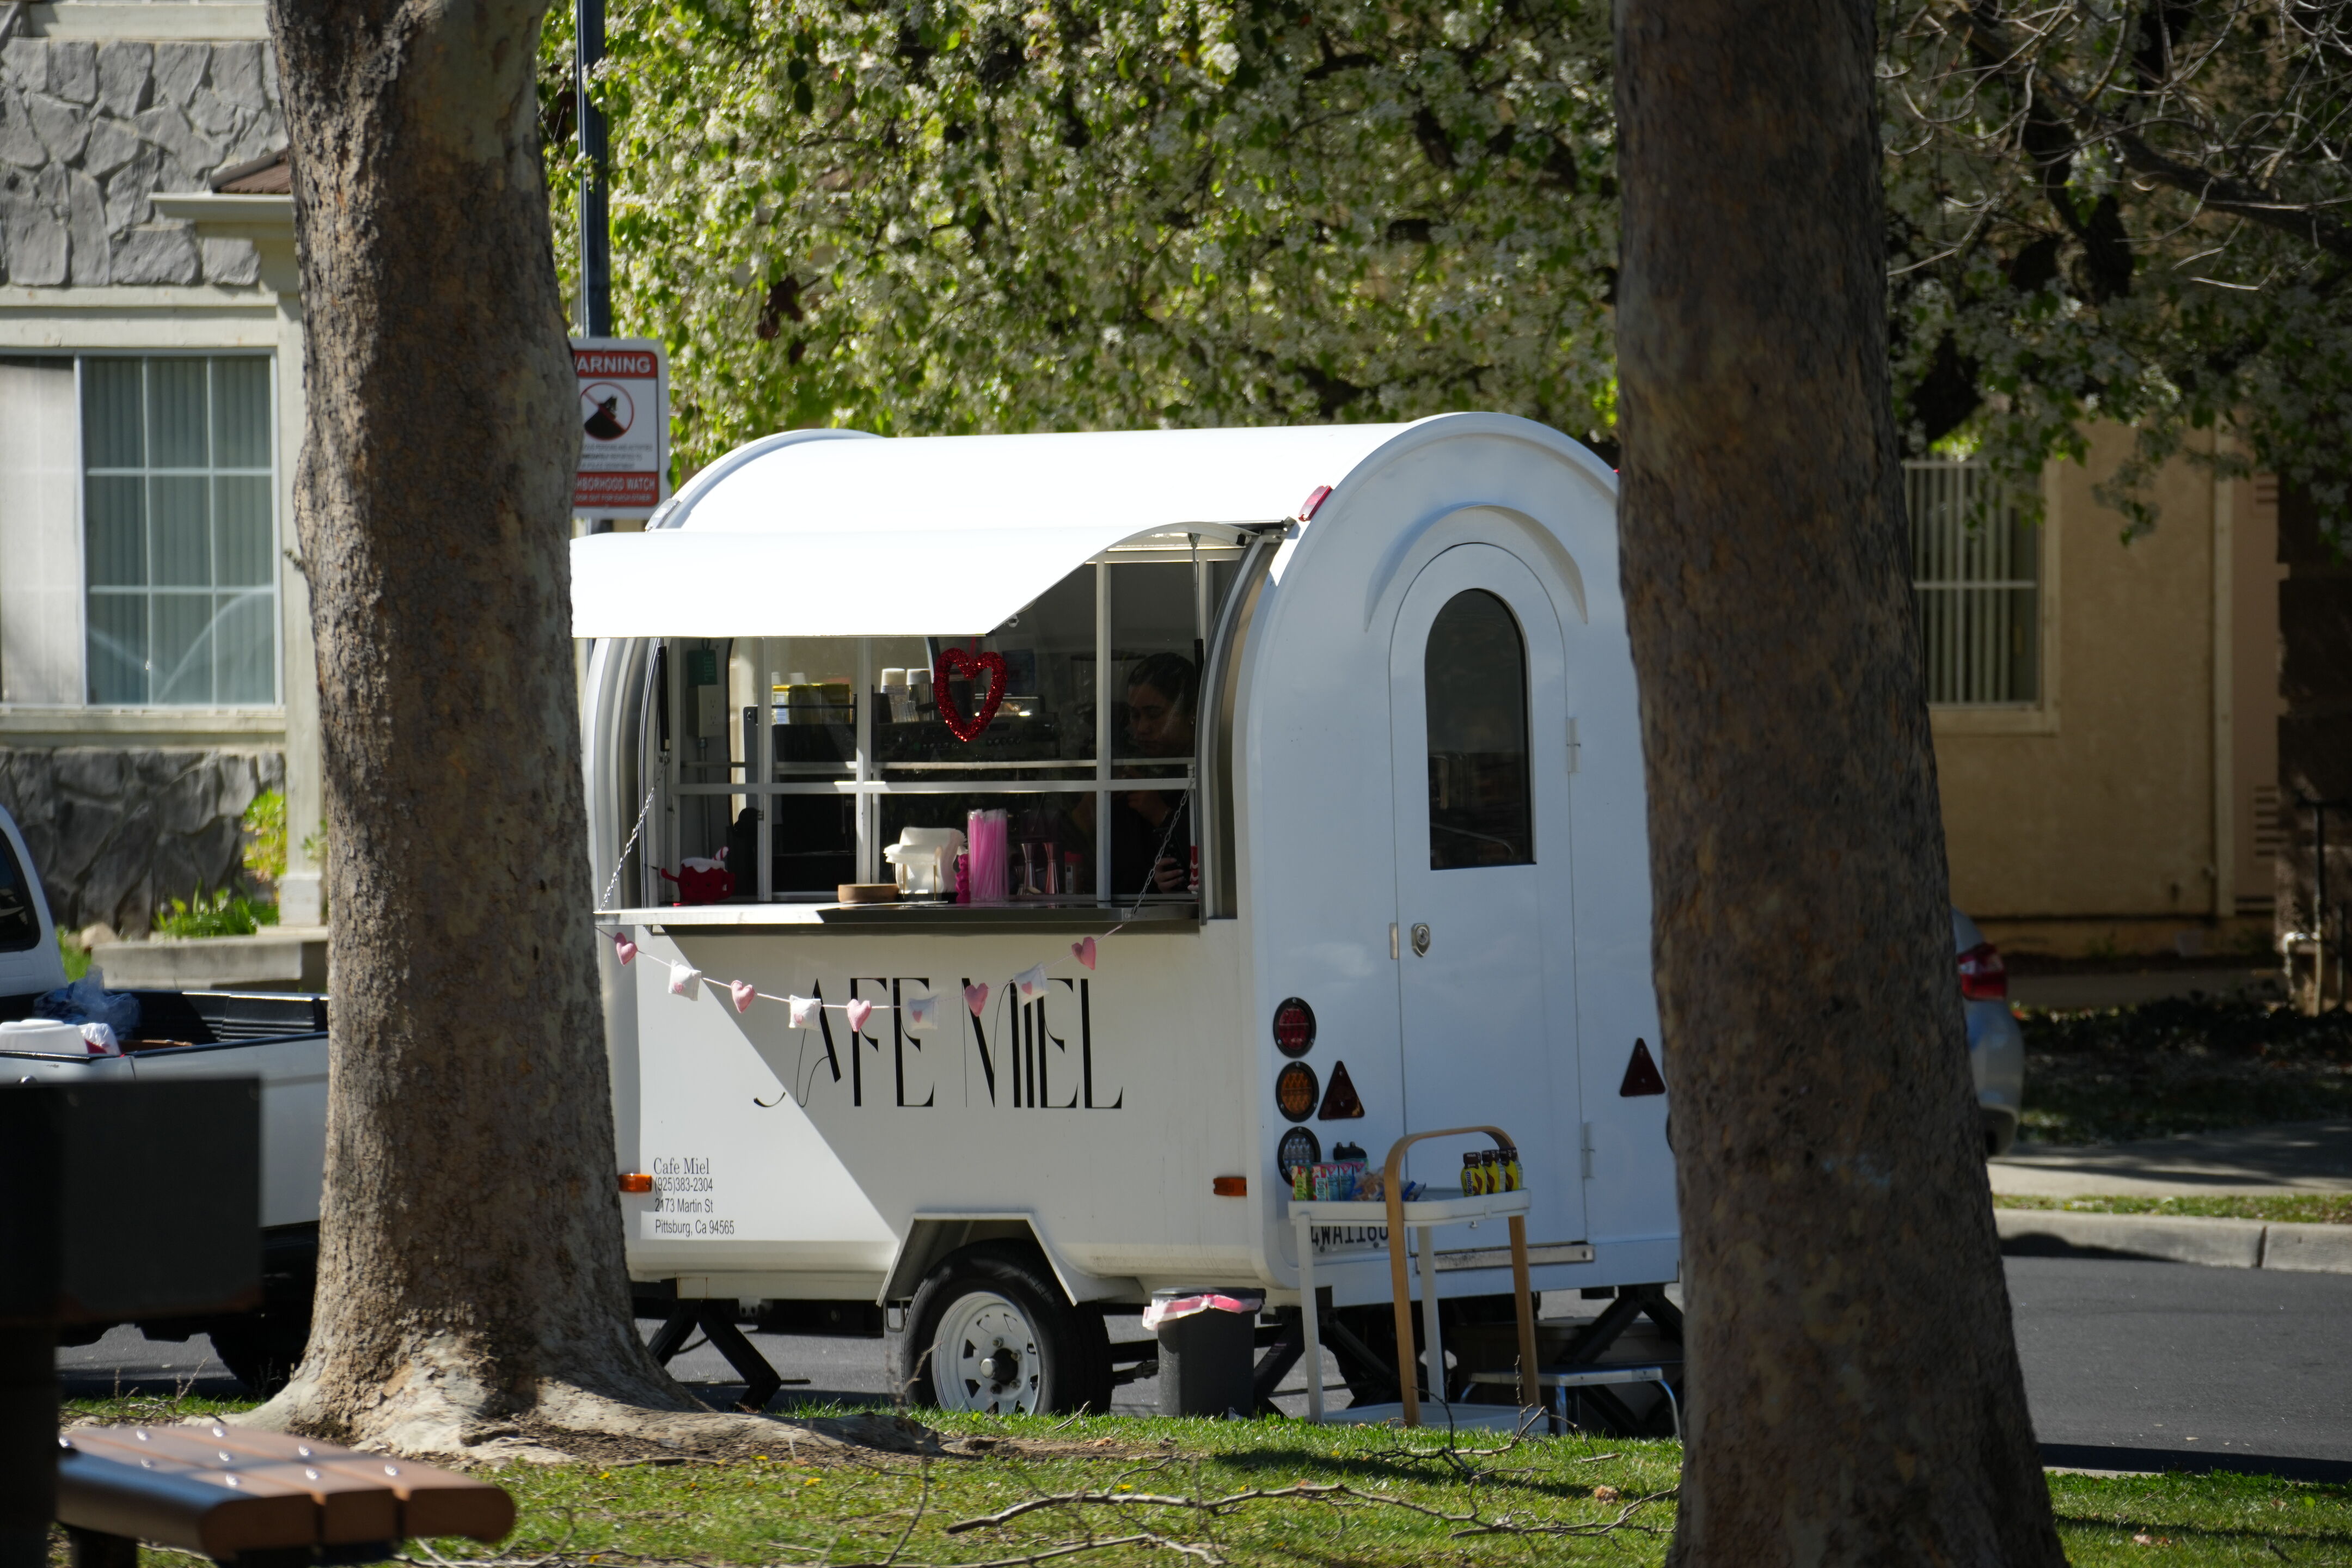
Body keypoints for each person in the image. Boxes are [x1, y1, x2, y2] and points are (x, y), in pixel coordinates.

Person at [1112, 652, 1197, 896]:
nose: (1141, 728)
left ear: (1191, 713)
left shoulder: (1214, 766)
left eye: (1154, 714)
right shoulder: (1129, 773)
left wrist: (1162, 814)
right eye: (1135, 715)